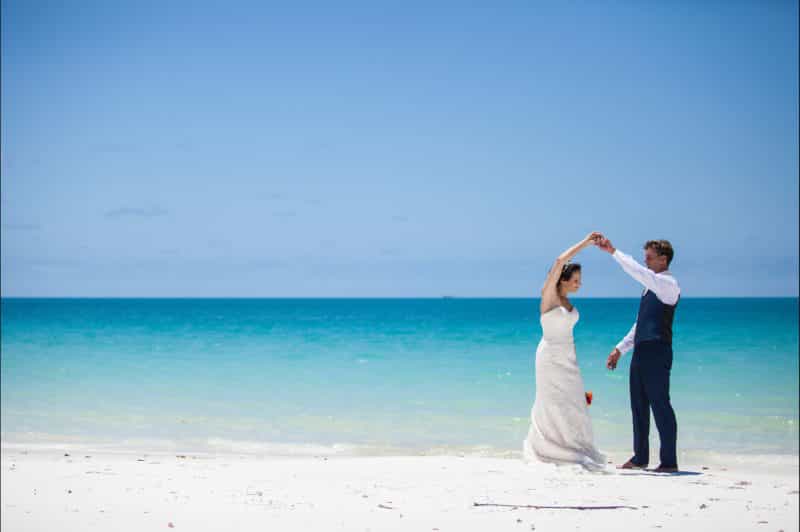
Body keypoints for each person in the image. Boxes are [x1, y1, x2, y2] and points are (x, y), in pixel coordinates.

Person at [595, 236, 680, 473]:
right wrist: (619, 349)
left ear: (663, 259)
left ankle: (669, 461)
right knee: (639, 406)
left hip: (658, 351)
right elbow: (640, 323)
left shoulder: (668, 284)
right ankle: (640, 457)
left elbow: (638, 272)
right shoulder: (650, 286)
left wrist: (613, 251)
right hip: (641, 351)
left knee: (660, 405)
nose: (646, 261)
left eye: (650, 257)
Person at [523, 232, 606, 471]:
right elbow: (559, 261)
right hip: (549, 357)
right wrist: (587, 242)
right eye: (576, 280)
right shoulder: (549, 297)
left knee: (575, 402)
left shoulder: (570, 303)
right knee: (553, 402)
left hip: (568, 356)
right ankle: (550, 448)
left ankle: (574, 446)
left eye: (581, 280)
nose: (579, 284)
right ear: (562, 279)